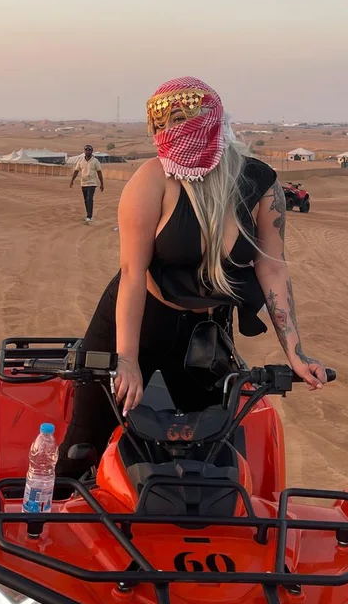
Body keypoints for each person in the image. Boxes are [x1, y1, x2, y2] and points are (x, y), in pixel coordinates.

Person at [57, 76, 330, 481]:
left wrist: (296, 353)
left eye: (183, 117)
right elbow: (132, 273)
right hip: (141, 320)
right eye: (162, 122)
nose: (172, 130)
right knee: (85, 442)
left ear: (213, 118)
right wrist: (126, 359)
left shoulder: (259, 184)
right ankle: (55, 506)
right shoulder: (152, 180)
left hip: (205, 333)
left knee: (212, 454)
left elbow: (272, 266)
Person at [69, 145, 104, 223]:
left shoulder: (95, 161)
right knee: (86, 200)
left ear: (91, 151)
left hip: (92, 183)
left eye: (89, 150)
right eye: (86, 150)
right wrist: (72, 180)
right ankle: (88, 215)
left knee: (89, 199)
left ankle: (89, 216)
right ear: (84, 151)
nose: (87, 152)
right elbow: (76, 171)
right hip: (83, 183)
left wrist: (102, 184)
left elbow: (99, 173)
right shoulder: (80, 161)